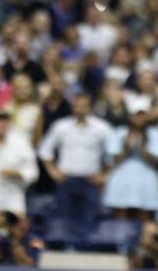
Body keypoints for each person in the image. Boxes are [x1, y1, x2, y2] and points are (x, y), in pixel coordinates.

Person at [37, 91, 113, 241]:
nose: (80, 109)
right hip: (66, 180)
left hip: (90, 181)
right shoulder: (61, 126)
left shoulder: (102, 128)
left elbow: (113, 152)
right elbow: (45, 150)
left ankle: (88, 251)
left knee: (90, 218)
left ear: (90, 108)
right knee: (64, 218)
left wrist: (104, 175)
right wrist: (53, 171)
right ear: (73, 108)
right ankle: (66, 249)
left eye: (84, 106)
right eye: (77, 106)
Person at [102, 96, 158, 217]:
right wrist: (127, 148)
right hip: (122, 184)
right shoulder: (119, 133)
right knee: (121, 222)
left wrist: (142, 149)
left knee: (144, 220)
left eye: (142, 115)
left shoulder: (155, 134)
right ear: (130, 116)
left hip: (146, 185)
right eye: (136, 115)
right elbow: (112, 161)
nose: (139, 118)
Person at [0, 110, 38, 216]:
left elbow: (33, 172)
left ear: (10, 124)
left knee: (16, 231)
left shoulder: (21, 145)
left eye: (5, 122)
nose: (2, 125)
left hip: (12, 199)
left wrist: (18, 173)